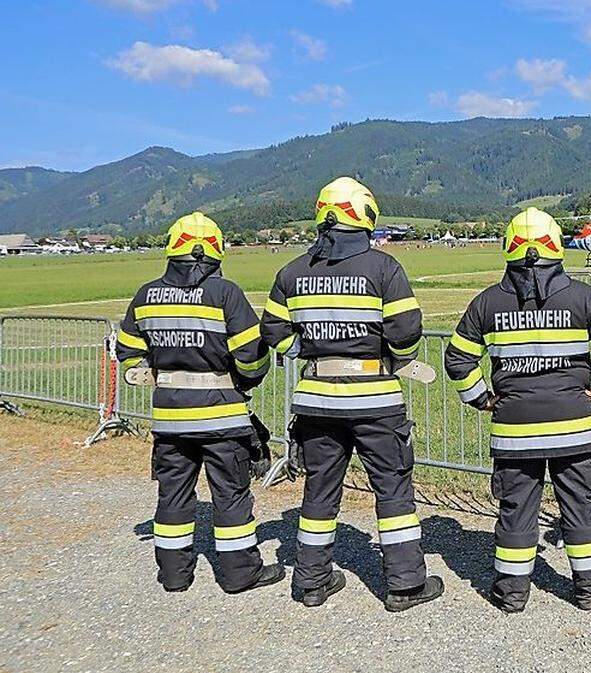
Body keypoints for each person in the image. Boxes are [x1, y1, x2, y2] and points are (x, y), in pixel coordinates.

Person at [443, 207, 591, 613]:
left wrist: (482, 398)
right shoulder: (586, 297)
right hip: (576, 429)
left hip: (514, 432)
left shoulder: (487, 303)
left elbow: (457, 360)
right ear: (557, 248)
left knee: (516, 511)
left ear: (508, 250)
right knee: (582, 508)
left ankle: (512, 593)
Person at [260, 177, 443, 610]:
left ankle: (311, 582)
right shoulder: (384, 268)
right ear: (365, 217)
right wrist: (395, 356)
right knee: (393, 490)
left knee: (319, 491)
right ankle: (405, 585)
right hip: (376, 398)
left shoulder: (292, 272)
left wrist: (306, 350)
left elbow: (273, 330)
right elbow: (405, 332)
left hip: (317, 399)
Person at [115, 212, 283, 594]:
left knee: (172, 494)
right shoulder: (226, 294)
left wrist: (161, 368)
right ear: (216, 252)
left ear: (172, 250)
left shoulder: (146, 296)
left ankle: (174, 575)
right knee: (231, 494)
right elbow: (253, 357)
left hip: (170, 419)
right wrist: (244, 380)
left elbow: (127, 349)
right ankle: (240, 574)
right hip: (222, 415)